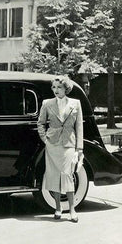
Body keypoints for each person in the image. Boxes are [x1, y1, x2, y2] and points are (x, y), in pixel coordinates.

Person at [37, 76, 84, 223]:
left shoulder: (76, 103)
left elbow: (79, 127)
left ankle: (72, 209)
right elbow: (40, 123)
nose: (56, 90)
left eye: (59, 87)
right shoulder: (47, 103)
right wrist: (46, 140)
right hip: (53, 145)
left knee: (67, 175)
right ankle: (58, 208)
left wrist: (79, 148)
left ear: (66, 88)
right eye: (54, 87)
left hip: (69, 144)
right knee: (54, 175)